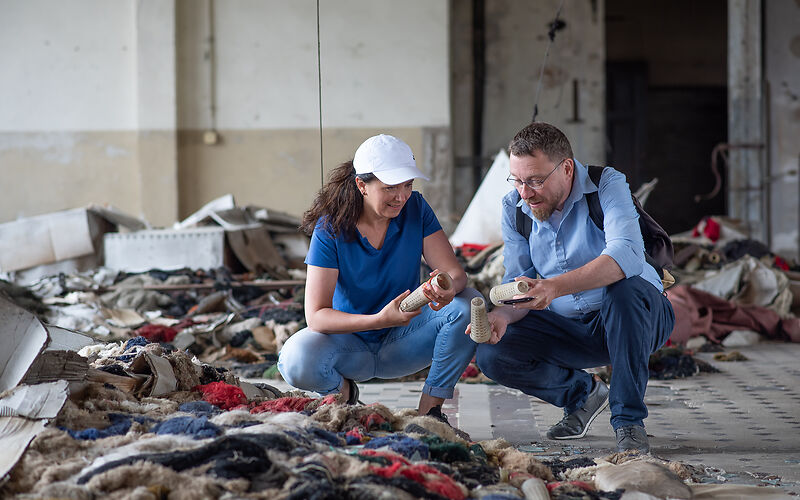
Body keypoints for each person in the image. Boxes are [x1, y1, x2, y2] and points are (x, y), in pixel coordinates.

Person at [472, 122, 675, 453]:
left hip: (638, 317)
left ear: (567, 169)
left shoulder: (607, 184)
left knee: (623, 290)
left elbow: (626, 256)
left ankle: (628, 421)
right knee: (493, 353)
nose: (525, 192)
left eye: (536, 180)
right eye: (518, 180)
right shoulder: (515, 208)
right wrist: (504, 317)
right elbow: (520, 285)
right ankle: (583, 395)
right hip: (571, 327)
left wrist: (554, 287)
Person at [279, 134, 480, 424]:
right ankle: (344, 393)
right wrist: (379, 320)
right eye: (390, 188)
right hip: (350, 347)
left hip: (404, 341)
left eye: (408, 185)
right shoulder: (330, 228)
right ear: (362, 185)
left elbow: (456, 275)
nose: (401, 196)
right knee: (295, 358)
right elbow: (317, 317)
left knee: (468, 303)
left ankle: (430, 413)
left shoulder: (416, 209)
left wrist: (445, 289)